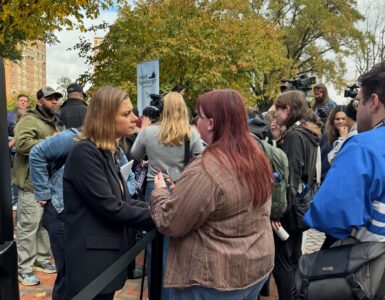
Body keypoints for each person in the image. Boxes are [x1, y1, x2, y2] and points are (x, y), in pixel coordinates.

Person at [150, 89, 274, 299]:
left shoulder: (207, 168)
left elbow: (171, 222)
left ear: (211, 123)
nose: (196, 121)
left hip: (215, 278)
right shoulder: (255, 156)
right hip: (255, 267)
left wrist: (160, 193)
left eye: (199, 115)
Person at [63, 86, 154, 300]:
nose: (135, 118)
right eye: (126, 114)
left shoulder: (106, 152)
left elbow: (125, 200)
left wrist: (158, 207)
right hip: (91, 266)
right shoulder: (85, 153)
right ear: (105, 118)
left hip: (104, 261)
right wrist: (160, 216)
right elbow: (111, 207)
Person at [131, 91, 203, 299]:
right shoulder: (191, 133)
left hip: (155, 187)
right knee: (177, 241)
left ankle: (156, 291)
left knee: (154, 242)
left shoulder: (149, 132)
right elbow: (200, 158)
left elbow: (135, 155)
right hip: (181, 187)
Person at [304, 61, 385, 242]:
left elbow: (327, 214)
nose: (356, 110)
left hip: (371, 260)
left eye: (358, 102)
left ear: (373, 101)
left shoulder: (363, 147)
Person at [273, 90, 321, 300]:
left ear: (288, 110)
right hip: (302, 205)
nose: (275, 114)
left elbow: (290, 180)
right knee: (294, 257)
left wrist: (277, 212)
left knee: (283, 262)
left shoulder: (294, 136)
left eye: (278, 109)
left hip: (290, 209)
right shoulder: (307, 135)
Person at [13, 86, 63, 286]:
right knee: (28, 226)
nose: (55, 102)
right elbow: (22, 144)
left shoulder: (51, 121)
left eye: (56, 99)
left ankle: (41, 259)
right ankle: (23, 268)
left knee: (43, 225)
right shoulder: (29, 119)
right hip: (30, 183)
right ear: (40, 101)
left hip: (46, 184)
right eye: (51, 99)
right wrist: (50, 142)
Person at [327, 100, 358, 164]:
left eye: (343, 119)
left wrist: (343, 138)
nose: (340, 121)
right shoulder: (327, 136)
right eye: (337, 119)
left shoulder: (354, 135)